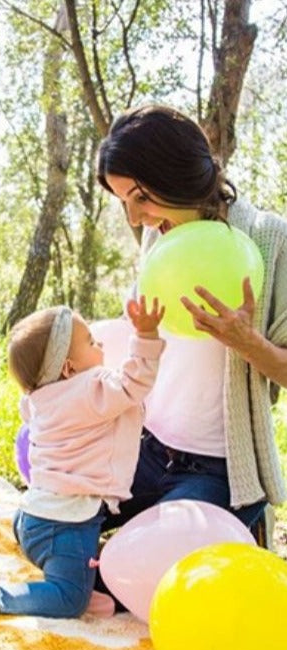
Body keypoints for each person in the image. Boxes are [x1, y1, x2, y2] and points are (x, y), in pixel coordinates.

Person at [96, 104, 287, 540]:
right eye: (124, 201)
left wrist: (247, 342)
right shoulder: (158, 233)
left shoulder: (270, 239)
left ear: (177, 174)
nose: (134, 217)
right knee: (47, 531)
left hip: (217, 468)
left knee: (149, 569)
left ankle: (238, 530)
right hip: (145, 447)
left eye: (141, 197)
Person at [0, 298, 164, 623]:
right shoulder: (89, 389)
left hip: (31, 519)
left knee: (75, 578)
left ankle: (83, 586)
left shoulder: (37, 400)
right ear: (69, 368)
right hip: (66, 526)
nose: (99, 342)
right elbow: (133, 383)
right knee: (69, 600)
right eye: (90, 341)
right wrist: (147, 336)